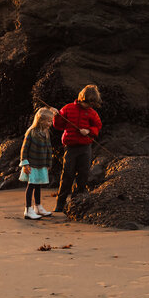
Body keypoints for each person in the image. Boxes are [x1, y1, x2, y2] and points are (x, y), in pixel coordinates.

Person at [51, 84, 102, 214]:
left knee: (83, 174)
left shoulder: (92, 113)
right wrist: (56, 115)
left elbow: (98, 127)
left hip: (85, 147)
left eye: (92, 104)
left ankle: (76, 201)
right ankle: (60, 203)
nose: (89, 106)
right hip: (70, 147)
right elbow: (58, 126)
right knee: (67, 174)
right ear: (81, 98)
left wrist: (89, 131)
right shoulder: (68, 108)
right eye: (87, 103)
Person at [19, 106, 58, 220]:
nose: (50, 123)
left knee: (38, 185)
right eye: (48, 121)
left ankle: (38, 207)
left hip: (41, 165)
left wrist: (48, 164)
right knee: (31, 185)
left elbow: (48, 149)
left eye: (51, 121)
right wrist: (25, 164)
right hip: (31, 165)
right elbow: (24, 149)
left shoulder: (46, 133)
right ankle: (28, 209)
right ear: (41, 120)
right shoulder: (31, 132)